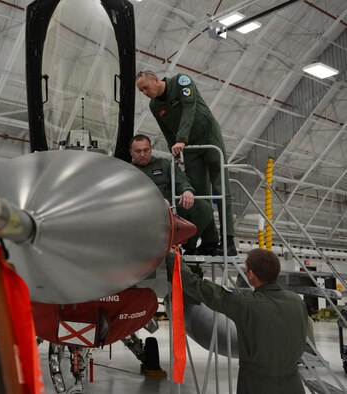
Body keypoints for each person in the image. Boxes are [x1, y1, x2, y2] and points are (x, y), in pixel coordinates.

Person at [167, 248, 309, 393]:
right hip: (293, 386)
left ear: (251, 274)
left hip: (257, 386)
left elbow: (199, 288)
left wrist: (173, 258)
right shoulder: (297, 301)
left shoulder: (245, 304)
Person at [136, 70, 237, 256]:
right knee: (199, 194)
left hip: (208, 137)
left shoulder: (182, 82)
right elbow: (166, 130)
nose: (145, 93)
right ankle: (210, 240)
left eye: (145, 88)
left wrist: (181, 138)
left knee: (220, 188)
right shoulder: (154, 105)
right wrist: (173, 149)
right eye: (141, 91)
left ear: (156, 80)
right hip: (189, 148)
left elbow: (190, 109)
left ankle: (228, 241)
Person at [129, 134, 219, 255]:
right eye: (138, 151)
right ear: (131, 152)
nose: (142, 154)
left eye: (146, 150)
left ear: (151, 149)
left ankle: (189, 245)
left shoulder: (165, 164)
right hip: (142, 217)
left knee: (204, 207)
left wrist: (187, 190)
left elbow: (180, 180)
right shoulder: (126, 171)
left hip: (170, 213)